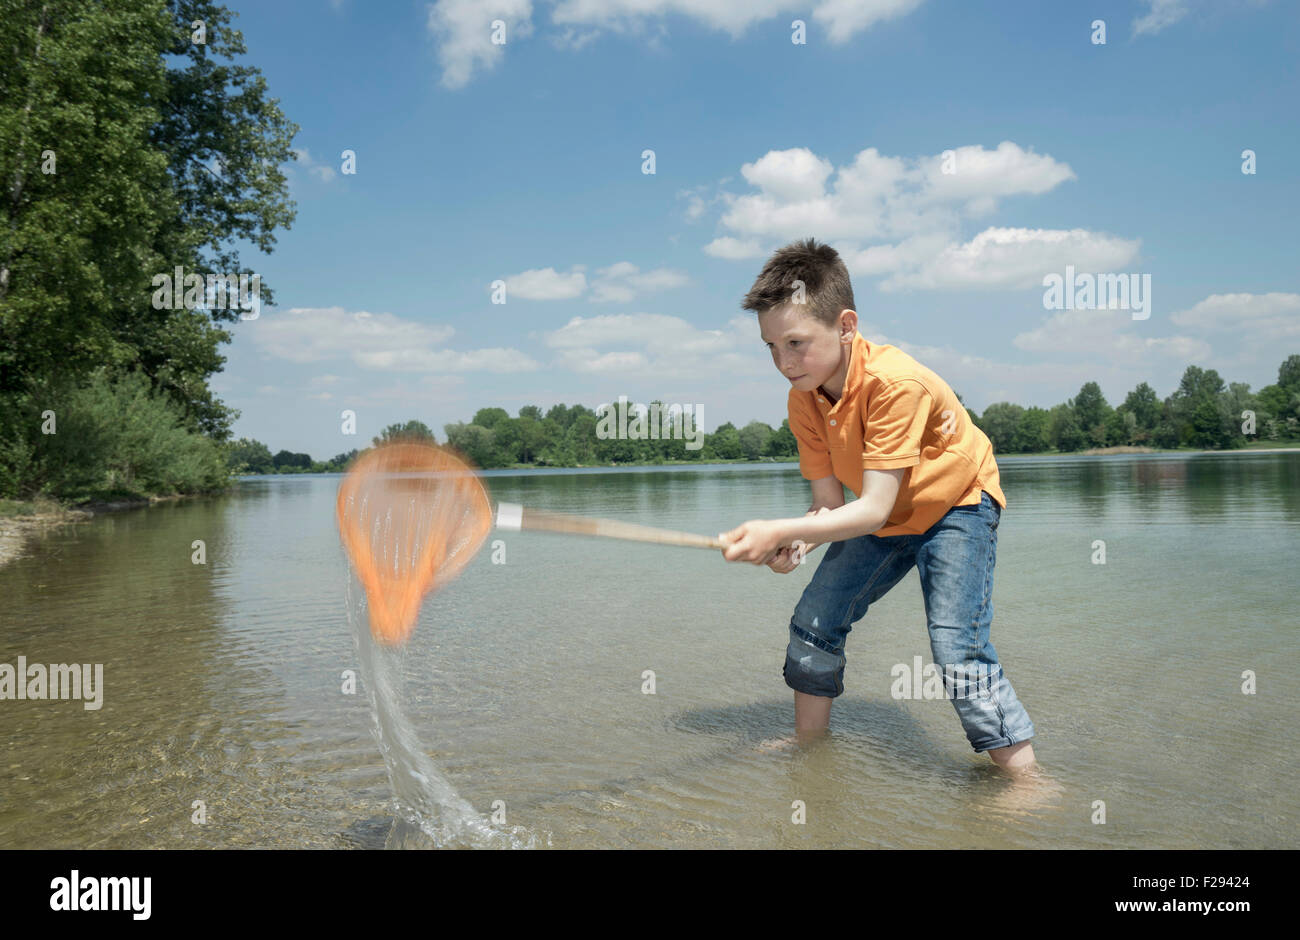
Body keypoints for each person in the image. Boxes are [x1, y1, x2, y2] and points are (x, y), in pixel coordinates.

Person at [718, 237, 1037, 771]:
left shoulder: (895, 384)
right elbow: (828, 506)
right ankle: (808, 744)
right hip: (880, 511)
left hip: (956, 505)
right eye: (771, 347)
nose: (784, 362)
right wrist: (795, 539)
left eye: (796, 343)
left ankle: (1023, 779)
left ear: (846, 325)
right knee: (814, 620)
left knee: (957, 646)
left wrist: (777, 527)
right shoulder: (804, 399)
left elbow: (869, 510)